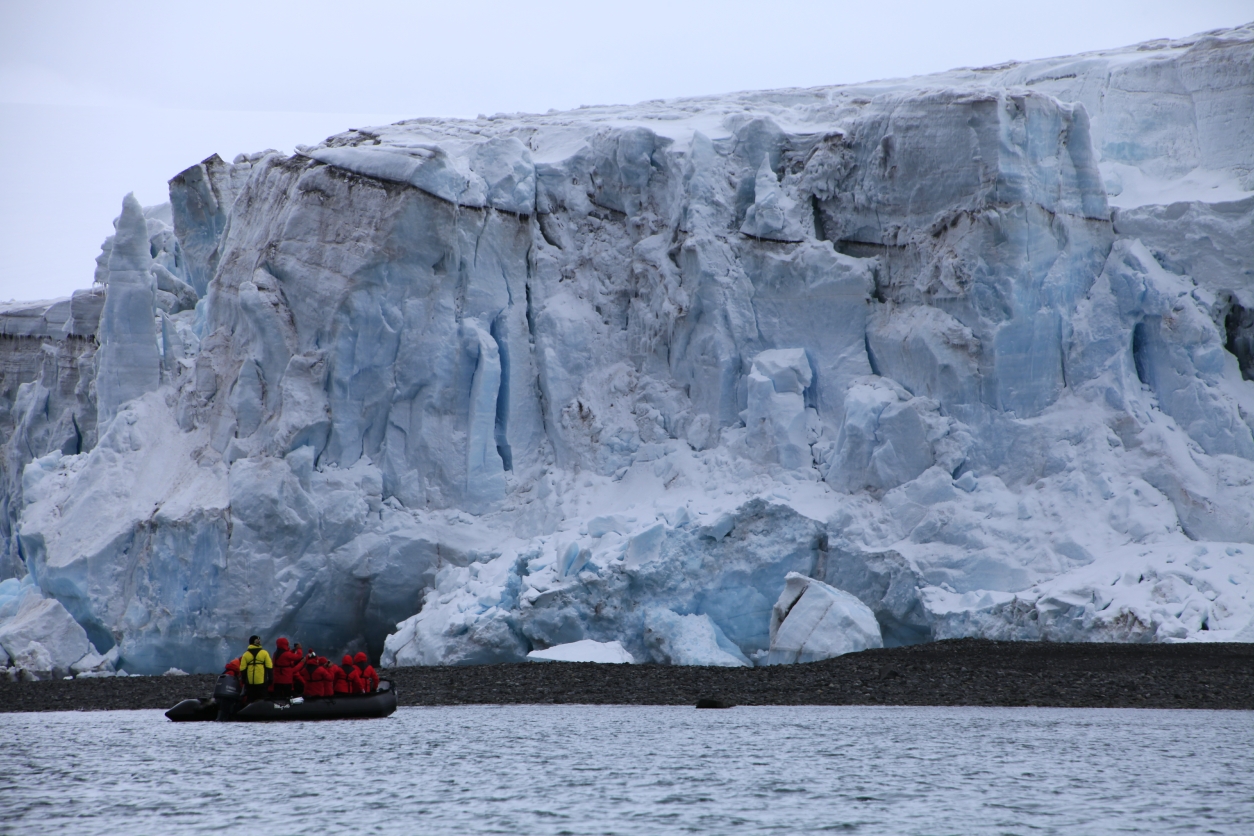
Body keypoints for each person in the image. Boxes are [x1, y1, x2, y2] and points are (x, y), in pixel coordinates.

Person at [240, 635, 273, 703]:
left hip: (250, 683)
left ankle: (249, 712)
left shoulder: (246, 654)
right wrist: (271, 679)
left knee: (250, 700)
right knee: (263, 700)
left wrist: (244, 679)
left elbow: (242, 668)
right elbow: (269, 667)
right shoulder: (264, 653)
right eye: (258, 640)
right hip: (262, 683)